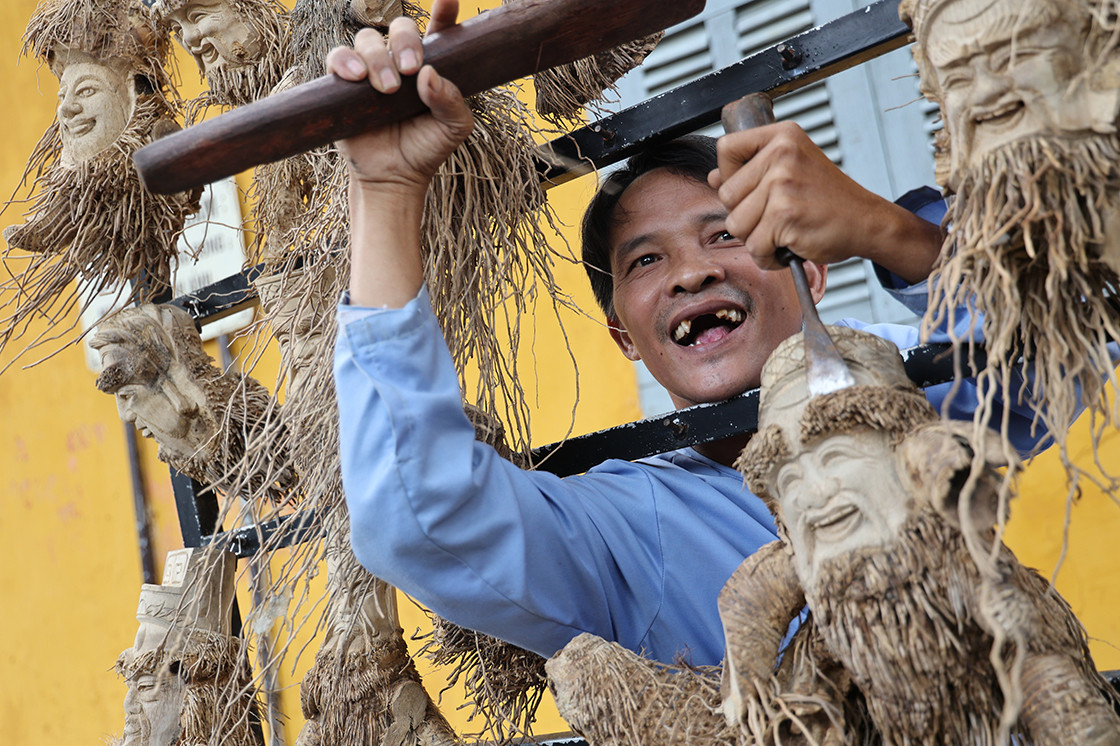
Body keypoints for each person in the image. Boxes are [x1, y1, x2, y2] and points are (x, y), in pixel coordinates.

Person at [328, 0, 1049, 667]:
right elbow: (416, 518)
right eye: (646, 260)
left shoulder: (901, 389)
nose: (691, 273)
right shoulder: (629, 529)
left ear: (811, 271)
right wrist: (387, 192)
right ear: (625, 336)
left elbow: (1060, 350)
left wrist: (887, 231)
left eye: (726, 234)